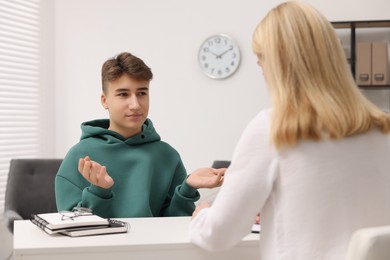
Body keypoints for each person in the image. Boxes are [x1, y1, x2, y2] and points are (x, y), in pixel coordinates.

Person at [189, 2, 390, 259]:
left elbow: (217, 235)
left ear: (278, 66)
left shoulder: (272, 130)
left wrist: (202, 214)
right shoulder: (382, 129)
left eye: (262, 63)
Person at [55, 52, 225, 218]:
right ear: (104, 100)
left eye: (142, 93)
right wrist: (99, 192)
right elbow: (70, 228)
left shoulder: (168, 156)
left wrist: (187, 188)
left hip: (152, 247)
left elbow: (174, 228)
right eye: (123, 94)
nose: (135, 104)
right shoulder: (79, 157)